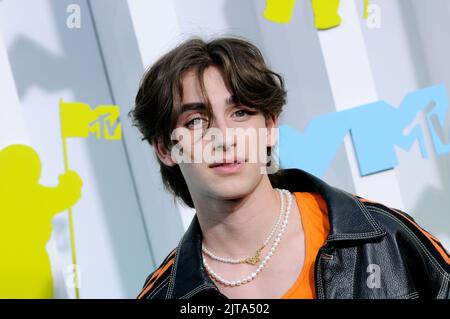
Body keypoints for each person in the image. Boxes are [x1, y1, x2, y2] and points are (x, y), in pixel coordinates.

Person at [129, 36, 450, 299]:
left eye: (240, 112)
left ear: (269, 125)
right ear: (165, 148)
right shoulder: (166, 295)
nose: (224, 138)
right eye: (196, 121)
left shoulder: (384, 237)